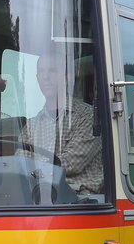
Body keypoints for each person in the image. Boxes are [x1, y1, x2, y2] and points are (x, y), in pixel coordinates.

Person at [19, 52, 104, 198]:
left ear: (67, 77)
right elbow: (19, 162)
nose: (45, 76)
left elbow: (71, 163)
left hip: (80, 202)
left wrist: (34, 163)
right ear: (37, 78)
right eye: (41, 71)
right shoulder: (32, 125)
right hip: (37, 198)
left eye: (52, 70)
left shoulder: (88, 116)